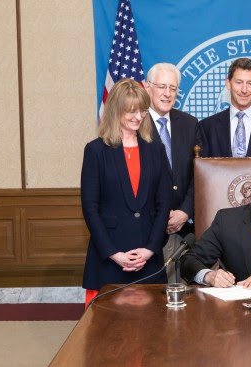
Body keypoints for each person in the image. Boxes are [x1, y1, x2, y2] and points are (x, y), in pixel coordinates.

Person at [81, 78, 171, 306]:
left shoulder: (156, 149)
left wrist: (151, 249)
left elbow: (163, 203)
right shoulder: (96, 151)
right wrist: (114, 254)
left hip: (148, 259)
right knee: (107, 334)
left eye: (142, 110)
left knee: (153, 331)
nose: (138, 117)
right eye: (130, 111)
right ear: (115, 111)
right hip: (110, 259)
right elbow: (90, 208)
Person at [144, 62, 200, 281]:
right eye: (162, 87)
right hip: (148, 231)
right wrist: (163, 215)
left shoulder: (190, 123)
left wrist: (185, 210)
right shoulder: (134, 124)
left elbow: (200, 174)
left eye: (173, 88)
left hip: (186, 229)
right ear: (148, 87)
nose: (168, 94)